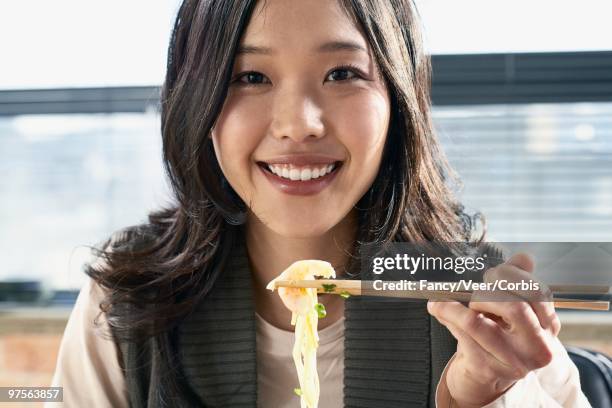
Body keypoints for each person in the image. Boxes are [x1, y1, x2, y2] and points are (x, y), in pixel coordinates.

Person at [49, 0, 591, 407]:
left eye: (343, 74)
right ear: (198, 102)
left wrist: (477, 397)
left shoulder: (473, 296)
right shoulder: (126, 293)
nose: (298, 125)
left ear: (397, 102)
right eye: (250, 77)